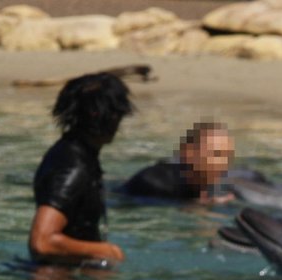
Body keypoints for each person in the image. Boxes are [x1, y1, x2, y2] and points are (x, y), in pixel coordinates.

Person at [29, 72, 135, 267]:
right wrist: (106, 251)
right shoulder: (73, 167)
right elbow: (42, 242)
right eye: (118, 113)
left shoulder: (71, 153)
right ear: (108, 116)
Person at [120, 121, 238, 204]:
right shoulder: (153, 182)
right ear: (189, 153)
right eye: (216, 154)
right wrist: (198, 205)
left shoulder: (213, 185)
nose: (224, 163)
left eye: (228, 156)